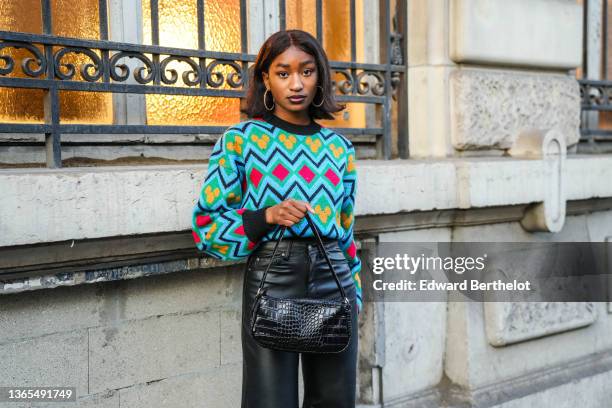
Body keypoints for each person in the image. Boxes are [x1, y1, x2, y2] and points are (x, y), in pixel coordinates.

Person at [191, 29, 361, 408]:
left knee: (335, 400)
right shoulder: (241, 140)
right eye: (283, 73)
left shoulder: (339, 148)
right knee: (270, 400)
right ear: (265, 78)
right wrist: (266, 216)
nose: (296, 83)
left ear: (320, 76)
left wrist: (357, 294)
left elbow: (347, 230)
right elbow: (207, 228)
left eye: (307, 71)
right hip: (273, 279)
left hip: (335, 277)